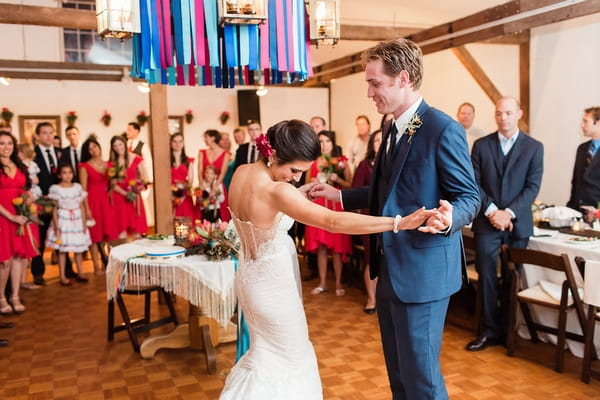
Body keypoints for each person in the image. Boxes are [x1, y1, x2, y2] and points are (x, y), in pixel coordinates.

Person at [310, 38, 480, 399]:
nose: (370, 93)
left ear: (403, 79)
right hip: (389, 268)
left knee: (422, 379)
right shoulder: (391, 128)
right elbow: (384, 194)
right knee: (399, 374)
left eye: (375, 83)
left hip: (423, 271)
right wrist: (338, 195)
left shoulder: (441, 128)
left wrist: (450, 218)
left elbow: (469, 197)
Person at [219, 119, 436, 399]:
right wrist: (397, 223)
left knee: (265, 357)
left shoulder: (243, 173)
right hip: (274, 291)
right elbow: (332, 221)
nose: (297, 178)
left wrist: (295, 195)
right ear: (273, 155)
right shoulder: (277, 191)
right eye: (294, 170)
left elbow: (260, 211)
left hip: (249, 281)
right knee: (291, 361)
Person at [467, 96, 544, 352]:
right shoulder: (481, 145)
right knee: (486, 276)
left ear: (519, 113)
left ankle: (510, 331)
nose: (504, 118)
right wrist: (492, 212)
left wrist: (508, 213)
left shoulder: (534, 147)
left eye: (509, 113)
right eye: (499, 113)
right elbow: (474, 184)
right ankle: (489, 331)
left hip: (517, 223)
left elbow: (532, 187)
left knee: (513, 277)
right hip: (487, 222)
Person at [305, 130, 353, 297]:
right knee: (322, 247)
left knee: (338, 248)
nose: (324, 144)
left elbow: (350, 185)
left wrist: (337, 179)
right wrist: (312, 183)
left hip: (335, 205)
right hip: (318, 206)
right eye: (321, 141)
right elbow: (305, 188)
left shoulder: (341, 162)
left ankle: (339, 283)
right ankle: (323, 282)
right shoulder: (312, 162)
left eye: (327, 141)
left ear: (333, 143)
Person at [0, 129, 40, 315]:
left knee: (18, 257)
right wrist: (11, 216)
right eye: (1, 143)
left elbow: (24, 188)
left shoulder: (20, 166)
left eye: (9, 143)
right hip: (3, 217)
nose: (6, 147)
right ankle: (1, 298)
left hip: (20, 216)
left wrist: (28, 198)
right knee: (4, 261)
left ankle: (15, 296)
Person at [351, 129, 382, 313]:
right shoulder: (365, 165)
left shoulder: (392, 164)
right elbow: (356, 190)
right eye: (376, 140)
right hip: (368, 218)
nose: (379, 143)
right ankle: (371, 299)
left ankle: (385, 298)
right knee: (372, 259)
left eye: (382, 140)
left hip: (389, 218)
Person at [45, 163, 92, 286]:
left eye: (70, 172)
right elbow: (54, 208)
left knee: (79, 249)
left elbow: (81, 206)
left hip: (76, 219)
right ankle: (62, 276)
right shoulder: (55, 189)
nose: (68, 175)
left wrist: (84, 223)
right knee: (62, 250)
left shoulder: (77, 187)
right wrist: (56, 227)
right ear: (60, 175)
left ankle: (81, 272)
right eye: (64, 173)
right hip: (63, 219)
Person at [79, 135, 118, 274]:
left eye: (95, 146)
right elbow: (83, 189)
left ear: (99, 147)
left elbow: (112, 186)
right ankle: (96, 265)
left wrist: (113, 183)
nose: (93, 150)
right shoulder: (84, 166)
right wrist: (86, 208)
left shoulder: (110, 165)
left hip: (106, 201)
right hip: (93, 201)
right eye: (89, 149)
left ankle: (106, 262)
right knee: (95, 235)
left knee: (107, 235)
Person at [31, 122, 62, 285]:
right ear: (37, 136)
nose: (49, 136)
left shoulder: (59, 153)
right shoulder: (33, 155)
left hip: (60, 202)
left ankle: (67, 269)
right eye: (44, 133)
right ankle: (38, 272)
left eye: (51, 133)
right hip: (41, 202)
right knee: (40, 237)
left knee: (61, 235)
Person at [108, 135, 149, 239]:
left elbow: (144, 179)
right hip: (119, 199)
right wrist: (126, 193)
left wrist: (138, 188)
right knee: (121, 233)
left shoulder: (137, 159)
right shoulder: (111, 163)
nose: (118, 148)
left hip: (134, 199)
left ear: (124, 144)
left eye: (120, 144)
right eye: (115, 146)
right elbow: (112, 184)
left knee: (137, 234)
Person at [567, 106, 600, 216]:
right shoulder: (582, 148)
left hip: (596, 213)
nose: (582, 125)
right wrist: (570, 208)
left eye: (586, 121)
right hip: (578, 212)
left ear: (598, 122)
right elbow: (576, 181)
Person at [197, 129, 230, 221]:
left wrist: (215, 186)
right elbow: (199, 170)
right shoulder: (202, 152)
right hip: (204, 186)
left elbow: (223, 172)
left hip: (218, 186)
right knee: (203, 213)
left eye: (206, 137)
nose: (204, 140)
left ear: (213, 138)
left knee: (220, 216)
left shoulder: (225, 153)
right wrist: (201, 184)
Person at [170, 133, 196, 219]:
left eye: (180, 141)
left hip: (184, 197)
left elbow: (190, 182)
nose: (178, 144)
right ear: (171, 143)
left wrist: (182, 197)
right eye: (175, 141)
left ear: (183, 143)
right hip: (170, 196)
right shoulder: (166, 161)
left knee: (186, 224)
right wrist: (171, 196)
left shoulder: (188, 161)